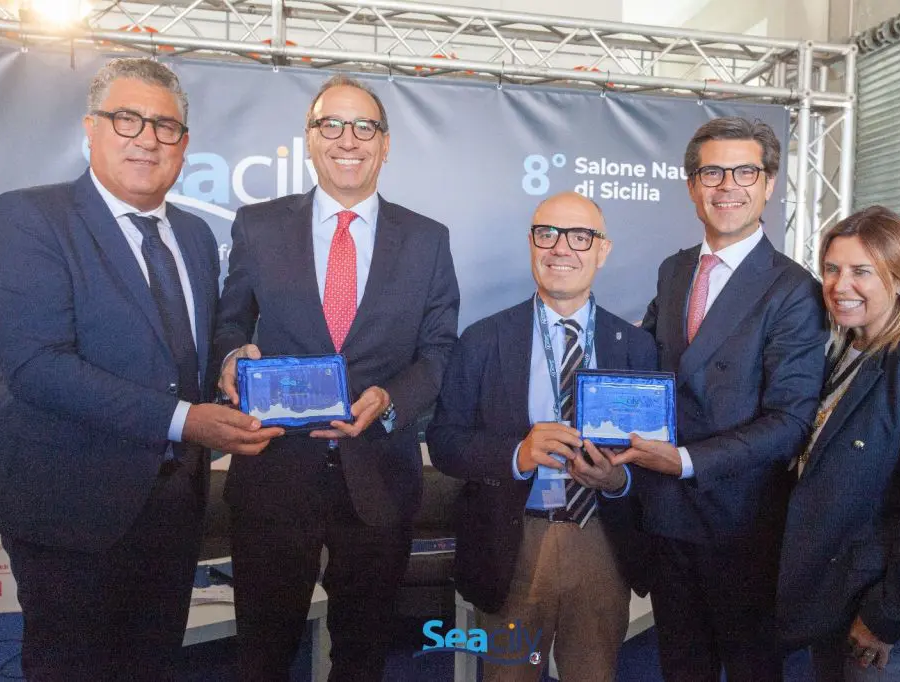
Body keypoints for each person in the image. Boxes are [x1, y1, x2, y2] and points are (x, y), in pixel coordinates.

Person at [0, 58, 281, 680]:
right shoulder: (30, 217)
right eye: (127, 119)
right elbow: (38, 367)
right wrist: (188, 421)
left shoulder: (194, 236)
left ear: (184, 144)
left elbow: (187, 349)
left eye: (165, 126)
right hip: (68, 507)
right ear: (91, 128)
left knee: (152, 664)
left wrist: (229, 363)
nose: (147, 139)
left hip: (173, 509)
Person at [214, 74, 460, 681]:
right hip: (275, 473)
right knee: (262, 656)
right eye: (332, 124)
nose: (347, 139)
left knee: (362, 657)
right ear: (310, 138)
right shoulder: (258, 226)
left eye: (364, 127)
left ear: (385, 144)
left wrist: (390, 399)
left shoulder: (428, 240)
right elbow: (229, 322)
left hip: (379, 479)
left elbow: (439, 351)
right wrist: (231, 356)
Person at [609, 116, 827, 681]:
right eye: (712, 173)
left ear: (769, 183)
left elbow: (790, 421)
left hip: (742, 526)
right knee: (681, 666)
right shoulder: (674, 269)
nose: (727, 185)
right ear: (691, 186)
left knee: (752, 669)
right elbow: (650, 365)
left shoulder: (794, 290)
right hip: (665, 517)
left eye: (744, 172)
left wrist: (686, 460)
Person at [427, 192, 656, 681]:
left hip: (601, 540)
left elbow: (655, 457)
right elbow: (444, 441)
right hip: (513, 540)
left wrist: (616, 481)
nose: (561, 248)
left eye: (580, 236)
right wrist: (518, 454)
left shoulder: (637, 346)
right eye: (547, 234)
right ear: (532, 244)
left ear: (603, 250)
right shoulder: (483, 339)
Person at [777, 205, 900, 681]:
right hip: (836, 604)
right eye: (832, 269)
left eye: (861, 271)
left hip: (890, 631)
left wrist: (886, 618)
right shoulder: (848, 352)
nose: (840, 285)